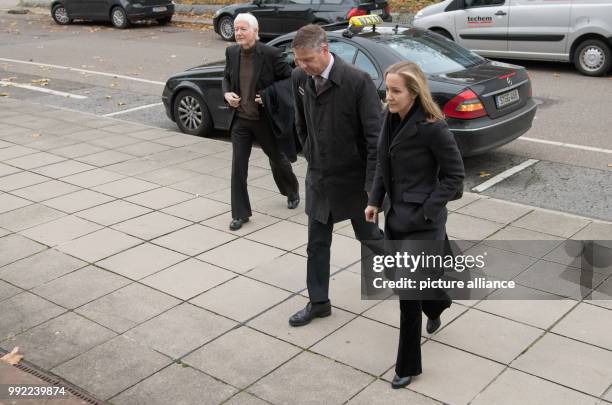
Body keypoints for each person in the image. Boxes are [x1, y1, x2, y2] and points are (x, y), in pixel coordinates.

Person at [364, 61, 465, 389]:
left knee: (407, 294)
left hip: (423, 222)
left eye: (396, 91)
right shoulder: (387, 118)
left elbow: (455, 177)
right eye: (387, 89)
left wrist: (427, 211)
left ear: (414, 92)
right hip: (396, 218)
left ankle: (407, 366)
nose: (388, 96)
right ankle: (438, 303)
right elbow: (382, 162)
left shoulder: (433, 127)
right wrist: (375, 200)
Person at [288, 24, 384, 327]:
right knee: (316, 244)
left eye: (308, 60)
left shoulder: (358, 81)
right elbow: (300, 122)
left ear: (325, 50)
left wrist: (372, 187)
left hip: (355, 183)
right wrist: (310, 153)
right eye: (298, 61)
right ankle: (319, 302)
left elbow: (374, 139)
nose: (303, 67)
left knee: (371, 239)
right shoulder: (298, 78)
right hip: (319, 178)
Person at [222, 13, 300, 231]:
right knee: (238, 167)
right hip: (241, 121)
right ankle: (240, 214)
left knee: (277, 159)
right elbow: (226, 77)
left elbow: (289, 79)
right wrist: (227, 94)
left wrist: (267, 95)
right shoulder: (231, 52)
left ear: (255, 31)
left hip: (264, 120)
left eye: (243, 29)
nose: (238, 33)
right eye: (236, 29)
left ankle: (291, 190)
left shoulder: (271, 54)